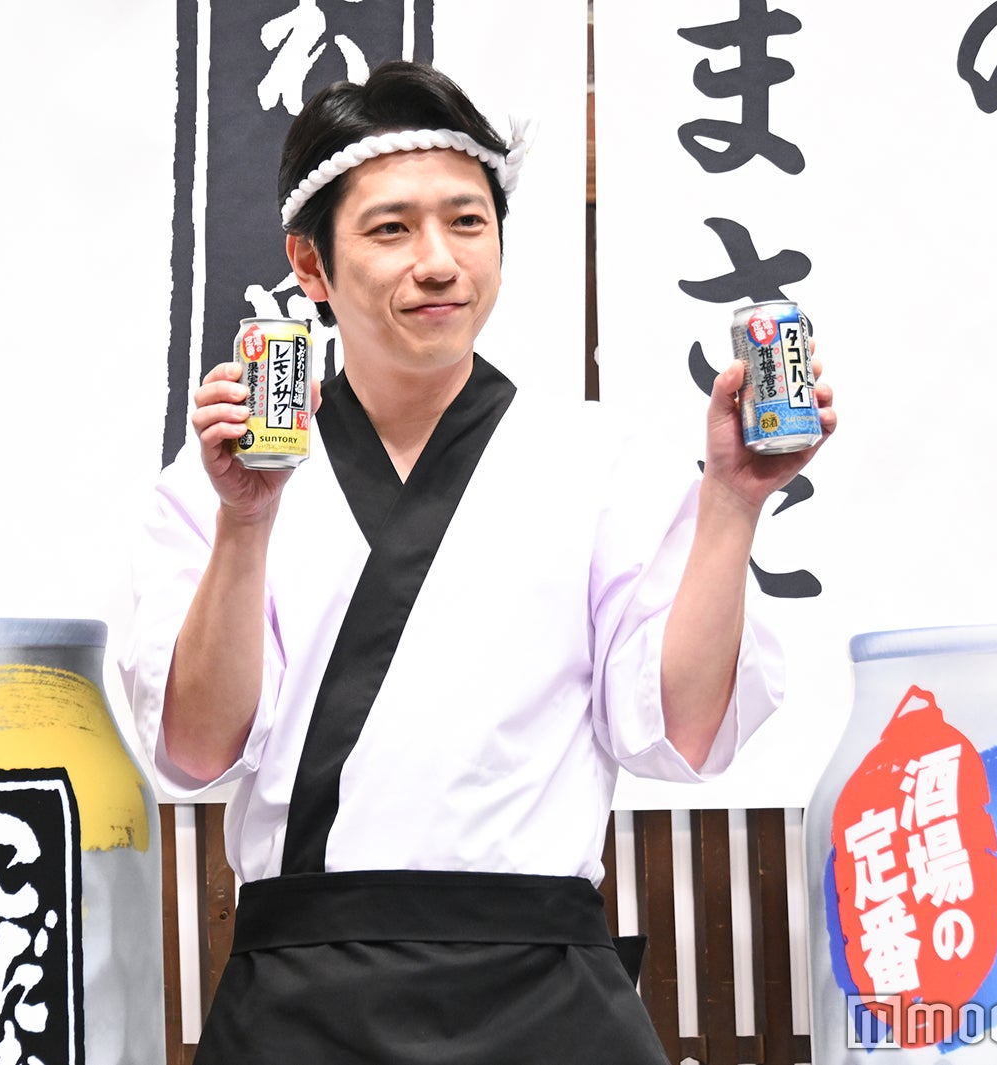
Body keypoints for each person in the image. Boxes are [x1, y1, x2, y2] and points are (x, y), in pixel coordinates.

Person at [122, 61, 836, 1064]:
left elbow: (678, 732)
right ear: (311, 265)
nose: (438, 262)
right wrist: (245, 521)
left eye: (467, 222)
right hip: (302, 999)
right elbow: (196, 749)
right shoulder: (219, 481)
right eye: (390, 229)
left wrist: (733, 501)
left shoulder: (600, 461)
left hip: (546, 995)